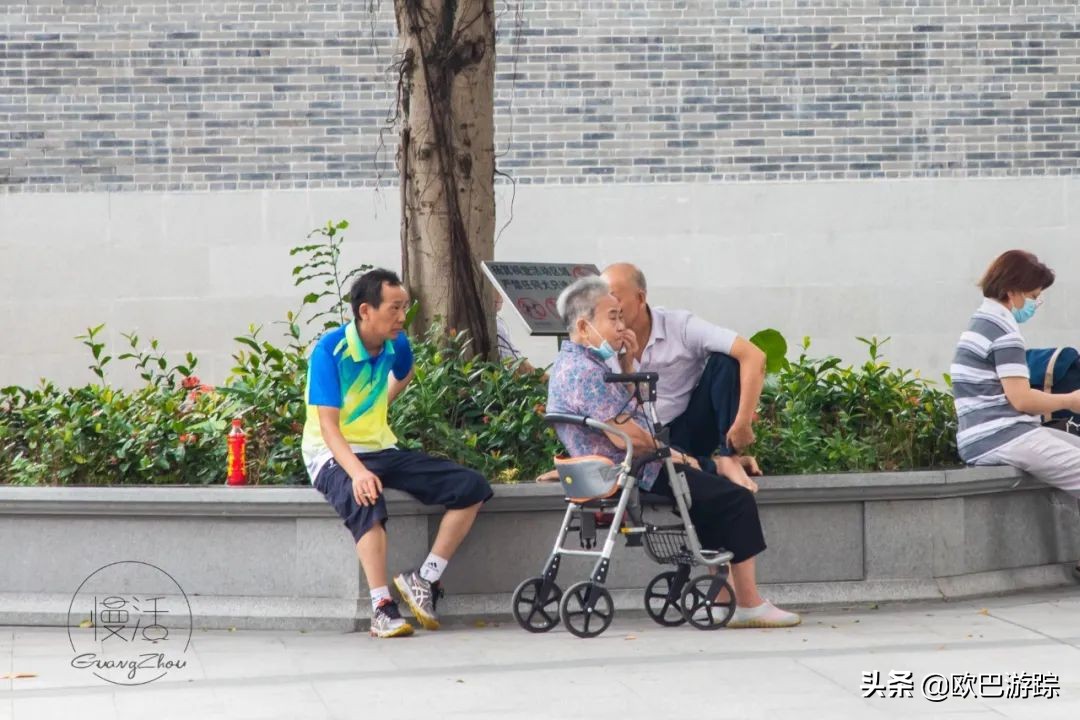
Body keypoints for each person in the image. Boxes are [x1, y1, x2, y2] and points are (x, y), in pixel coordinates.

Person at [546, 276, 801, 628]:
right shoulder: (586, 372)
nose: (622, 326)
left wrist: (630, 364)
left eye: (622, 316)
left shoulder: (572, 363)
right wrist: (675, 455)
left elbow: (624, 419)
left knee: (710, 486)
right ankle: (747, 602)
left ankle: (721, 597)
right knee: (735, 498)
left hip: (623, 468)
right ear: (584, 325)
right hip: (637, 470)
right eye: (613, 318)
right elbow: (629, 436)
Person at [303, 268, 493, 637]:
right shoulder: (330, 350)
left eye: (404, 308)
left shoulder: (397, 343)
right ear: (365, 311)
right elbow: (328, 427)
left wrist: (381, 404)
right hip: (331, 455)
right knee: (367, 499)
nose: (402, 317)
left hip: (382, 448)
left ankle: (425, 579)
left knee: (470, 486)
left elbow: (403, 373)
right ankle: (382, 607)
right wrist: (357, 472)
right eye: (394, 308)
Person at [951, 250, 1080, 580]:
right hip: (1002, 436)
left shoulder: (984, 321)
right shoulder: (1002, 330)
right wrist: (1071, 400)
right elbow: (1021, 399)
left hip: (994, 434)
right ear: (1012, 291)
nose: (1036, 304)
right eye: (1034, 296)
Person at [601, 263, 765, 492]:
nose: (608, 306)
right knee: (661, 462)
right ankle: (716, 466)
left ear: (640, 298)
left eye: (614, 298)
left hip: (688, 428)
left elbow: (753, 355)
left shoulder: (680, 326)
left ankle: (729, 457)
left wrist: (743, 423)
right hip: (642, 441)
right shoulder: (603, 342)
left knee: (726, 360)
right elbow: (589, 403)